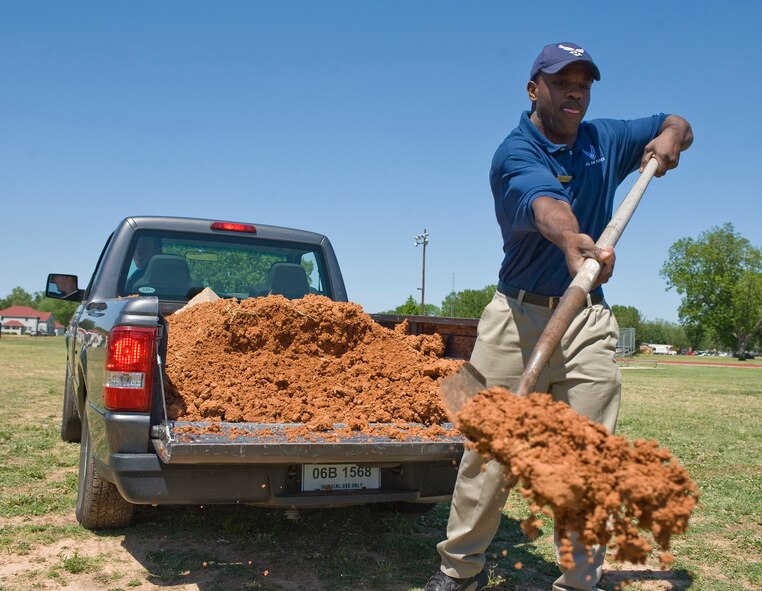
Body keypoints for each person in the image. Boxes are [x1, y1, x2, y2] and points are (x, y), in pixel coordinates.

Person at [423, 42, 692, 591]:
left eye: (584, 82)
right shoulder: (514, 152)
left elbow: (676, 121)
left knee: (589, 456)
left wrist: (671, 137)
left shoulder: (606, 137)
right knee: (488, 452)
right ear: (533, 89)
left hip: (587, 320)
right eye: (562, 80)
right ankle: (460, 571)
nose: (575, 90)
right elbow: (544, 203)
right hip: (515, 316)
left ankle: (579, 580)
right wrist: (573, 239)